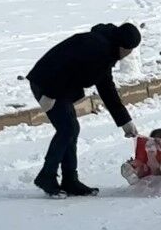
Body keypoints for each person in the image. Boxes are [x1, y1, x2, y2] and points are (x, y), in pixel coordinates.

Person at [26, 22, 143, 197]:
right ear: (122, 46)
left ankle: (70, 180)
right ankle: (46, 176)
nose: (130, 53)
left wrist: (125, 122)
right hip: (47, 82)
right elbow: (64, 63)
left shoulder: (107, 52)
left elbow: (107, 90)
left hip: (60, 86)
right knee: (67, 129)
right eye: (130, 49)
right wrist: (49, 94)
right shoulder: (95, 46)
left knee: (71, 128)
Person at [120, 128, 161, 192]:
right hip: (149, 177)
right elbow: (140, 160)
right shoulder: (149, 152)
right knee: (142, 164)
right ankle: (133, 176)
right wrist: (134, 164)